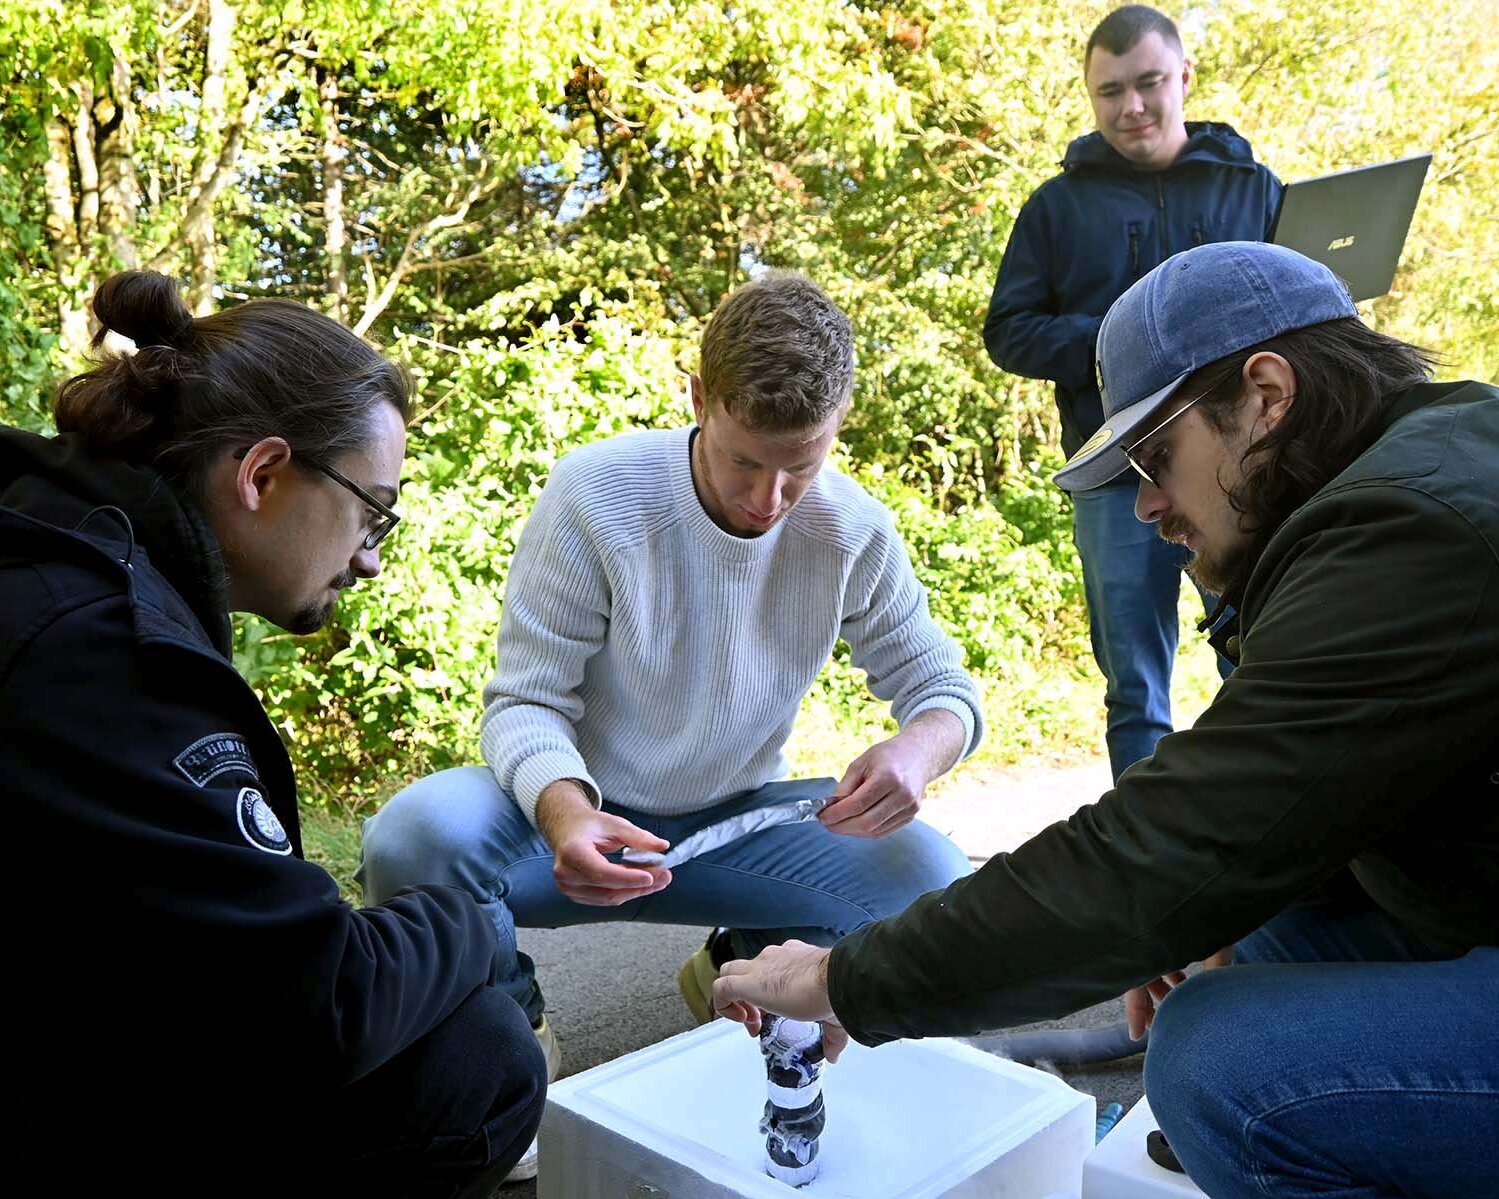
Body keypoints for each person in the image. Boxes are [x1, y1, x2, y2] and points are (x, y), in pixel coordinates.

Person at [712, 242, 1499, 1199]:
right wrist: (1197, 913)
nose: (1147, 505)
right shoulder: (1415, 472)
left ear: (1266, 395)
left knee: (1218, 1065)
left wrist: (846, 979)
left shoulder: (1412, 533)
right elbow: (1293, 801)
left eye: (1156, 455)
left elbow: (1161, 847)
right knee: (1231, 951)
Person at [358, 270, 983, 1180]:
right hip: (571, 825)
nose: (768, 498)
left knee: (928, 875)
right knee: (413, 838)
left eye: (799, 467)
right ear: (697, 399)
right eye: (744, 461)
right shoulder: (596, 495)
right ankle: (511, 1029)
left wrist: (916, 750)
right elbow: (525, 700)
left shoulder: (851, 530)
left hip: (736, 823)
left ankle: (746, 964)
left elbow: (944, 690)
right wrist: (566, 812)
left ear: (837, 425)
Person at [2, 271, 546, 1197]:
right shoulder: (101, 651)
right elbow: (317, 1004)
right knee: (476, 1057)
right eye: (372, 511)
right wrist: (479, 924)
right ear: (261, 473)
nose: (371, 557)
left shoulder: (57, 546)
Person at [984, 4, 1281, 780]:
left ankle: (1271, 843)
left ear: (1183, 76)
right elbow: (1008, 332)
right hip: (1117, 478)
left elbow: (1299, 315)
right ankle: (1150, 880)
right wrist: (1119, 341)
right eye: (1109, 91)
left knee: (1259, 668)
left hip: (1243, 468)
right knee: (1135, 692)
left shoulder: (1254, 189)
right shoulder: (1055, 206)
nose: (1131, 108)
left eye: (1148, 83)